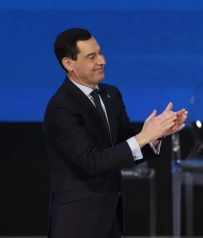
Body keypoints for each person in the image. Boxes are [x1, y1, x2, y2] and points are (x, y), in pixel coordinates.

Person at [42, 28, 188, 238]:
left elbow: (125, 148)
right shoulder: (61, 107)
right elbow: (93, 162)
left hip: (112, 220)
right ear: (69, 64)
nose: (102, 61)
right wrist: (144, 136)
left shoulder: (111, 94)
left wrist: (157, 134)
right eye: (91, 57)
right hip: (77, 222)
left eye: (100, 53)